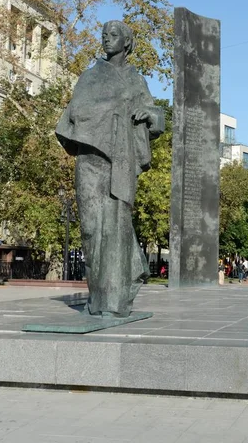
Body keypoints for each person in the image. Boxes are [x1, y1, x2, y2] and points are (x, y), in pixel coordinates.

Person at [56, 20, 165, 317]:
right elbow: (77, 112)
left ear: (126, 42)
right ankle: (103, 294)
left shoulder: (135, 79)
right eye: (104, 35)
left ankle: (112, 302)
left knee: (115, 227)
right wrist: (116, 112)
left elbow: (156, 117)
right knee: (91, 230)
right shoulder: (90, 76)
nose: (106, 39)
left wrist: (149, 114)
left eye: (113, 35)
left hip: (120, 159)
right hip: (90, 160)